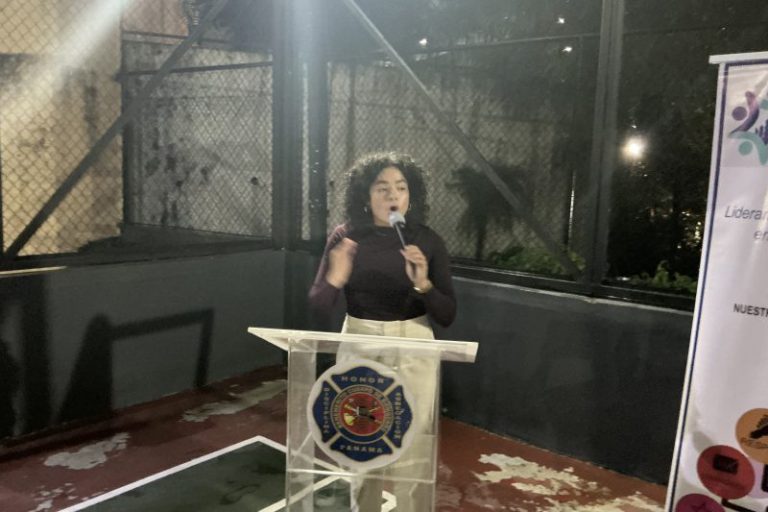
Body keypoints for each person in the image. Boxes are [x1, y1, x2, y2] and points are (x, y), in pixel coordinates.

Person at [309, 152, 456, 511]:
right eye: (382, 188)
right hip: (359, 340)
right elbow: (319, 303)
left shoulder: (427, 241)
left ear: (410, 196)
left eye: (401, 188)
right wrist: (336, 277)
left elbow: (447, 314)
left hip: (414, 341)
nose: (393, 195)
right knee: (362, 440)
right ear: (365, 194)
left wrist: (423, 284)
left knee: (415, 443)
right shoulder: (346, 237)